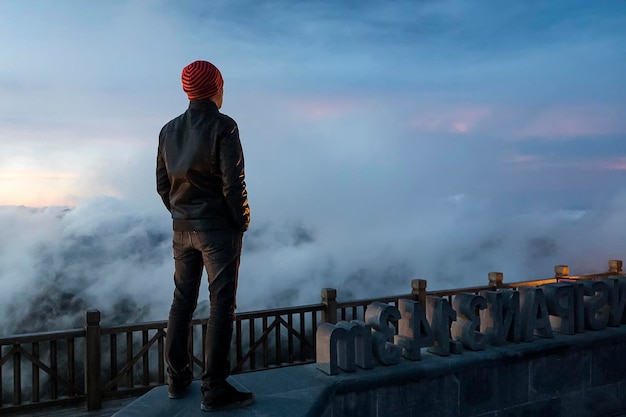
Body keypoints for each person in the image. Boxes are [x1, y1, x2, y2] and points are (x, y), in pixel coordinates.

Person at [156, 60, 253, 412]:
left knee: (182, 300)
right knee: (221, 306)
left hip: (182, 230)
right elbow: (233, 183)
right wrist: (240, 220)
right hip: (218, 232)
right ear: (217, 87)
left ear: (187, 91)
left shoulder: (168, 131)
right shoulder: (224, 127)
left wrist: (182, 214)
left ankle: (176, 378)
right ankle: (214, 390)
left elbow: (162, 185)